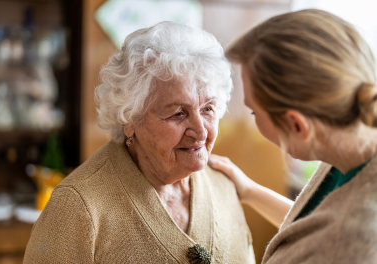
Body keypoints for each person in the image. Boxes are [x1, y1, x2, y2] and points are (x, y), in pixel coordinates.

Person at [23, 21, 255, 263]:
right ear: (130, 118)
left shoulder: (224, 187)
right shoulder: (77, 207)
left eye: (208, 108)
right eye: (178, 113)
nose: (200, 131)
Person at [209, 9, 377, 264]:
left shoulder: (355, 244)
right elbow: (315, 229)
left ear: (297, 125)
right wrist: (250, 191)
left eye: (254, 111)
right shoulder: (348, 145)